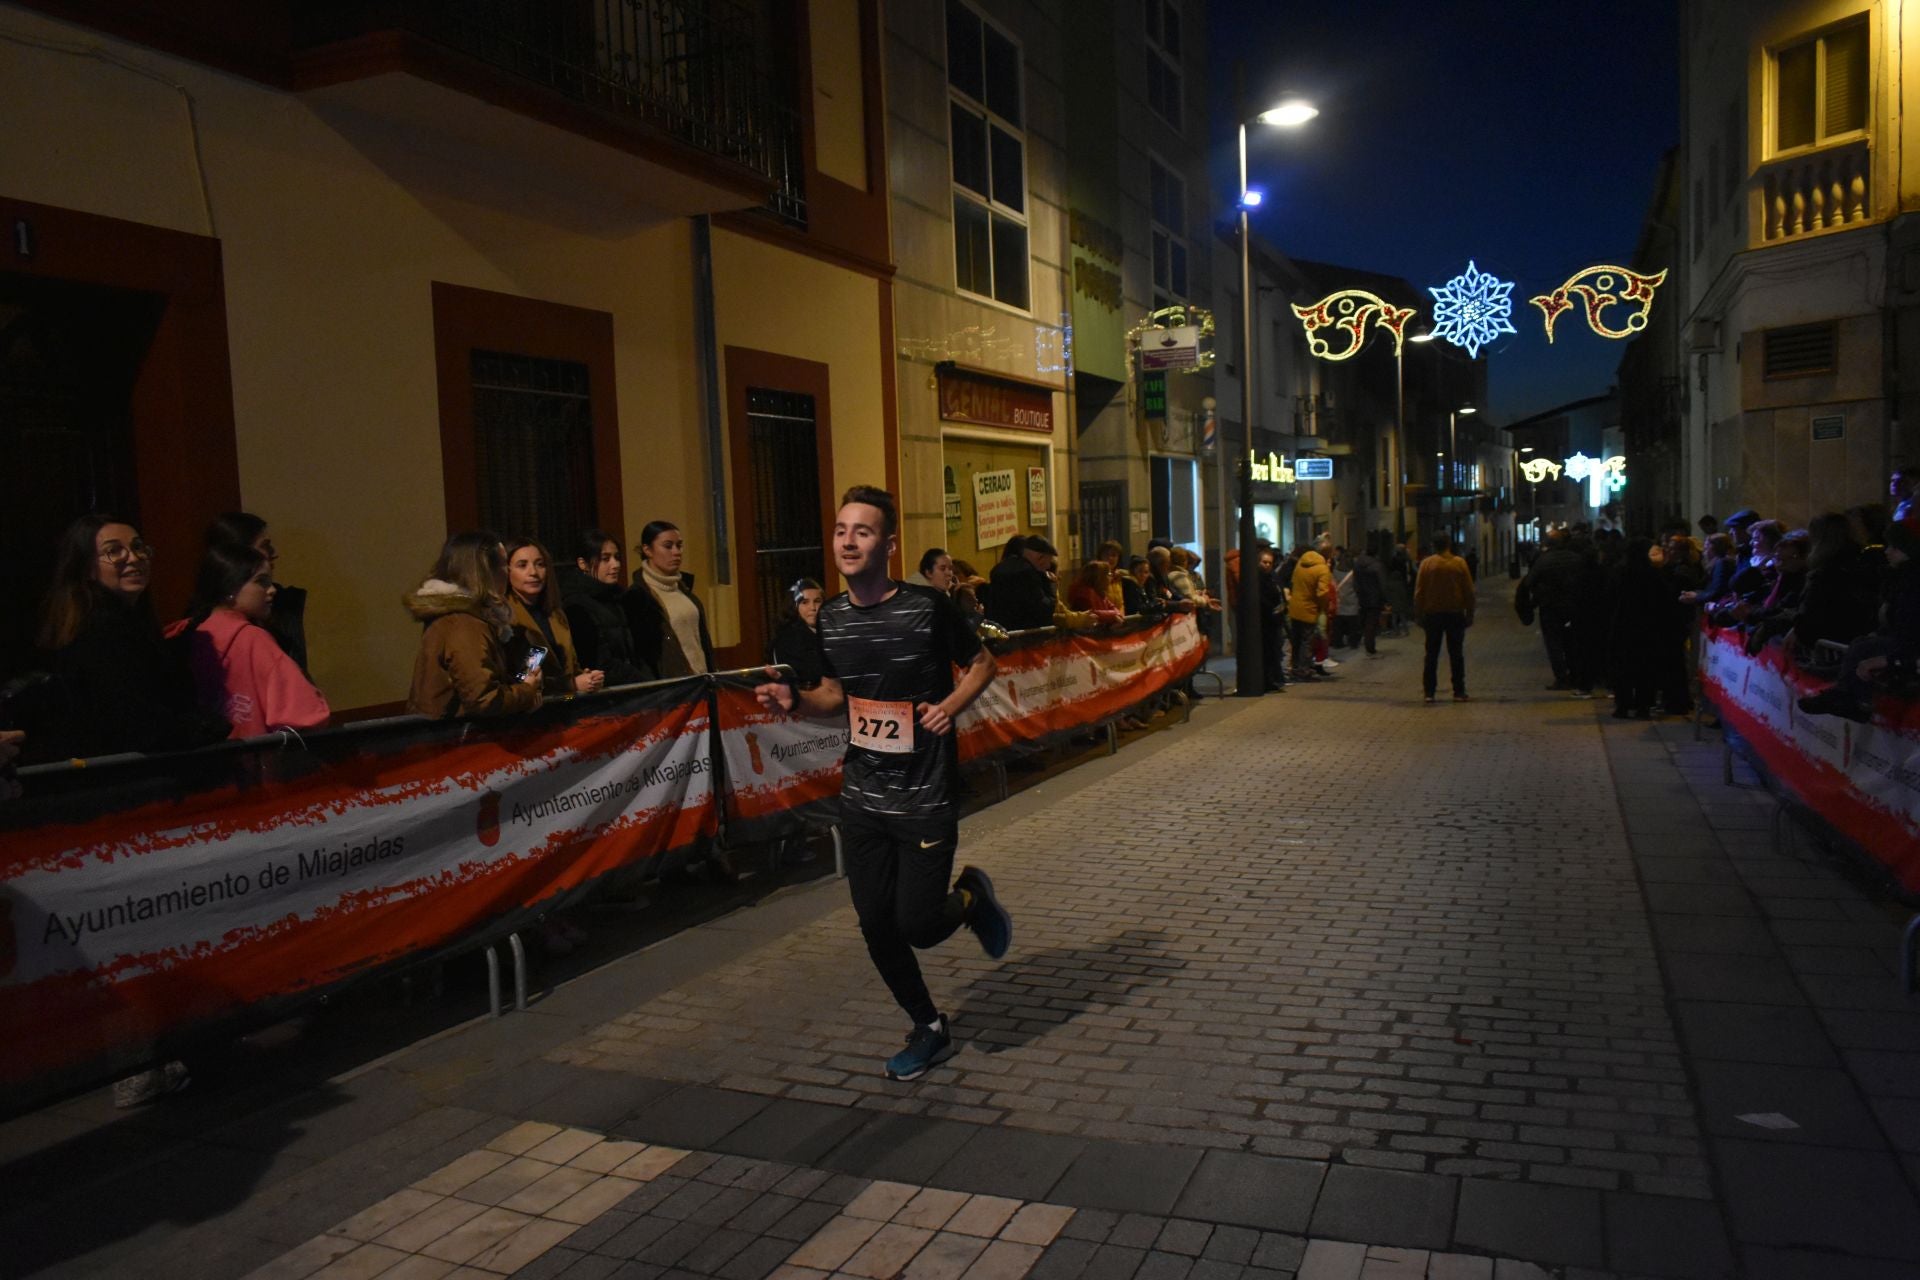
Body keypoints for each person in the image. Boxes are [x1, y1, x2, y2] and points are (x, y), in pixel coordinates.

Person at [754, 486, 1009, 1082]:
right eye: (841, 529)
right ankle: (929, 1026)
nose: (847, 540)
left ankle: (970, 896)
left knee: (918, 924)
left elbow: (983, 665)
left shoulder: (926, 607)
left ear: (888, 545)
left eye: (862, 531)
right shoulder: (833, 619)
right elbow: (835, 697)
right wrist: (795, 699)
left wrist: (949, 706)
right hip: (864, 794)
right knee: (875, 922)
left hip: (925, 794)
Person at [38, 513, 229, 757]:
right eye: (114, 551)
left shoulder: (123, 622)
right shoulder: (101, 630)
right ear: (86, 567)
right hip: (122, 778)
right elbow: (132, 719)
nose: (134, 557)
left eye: (138, 547)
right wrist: (208, 727)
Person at [180, 542, 331, 738]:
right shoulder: (253, 639)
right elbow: (307, 714)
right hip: (255, 761)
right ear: (230, 587)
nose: (272, 590)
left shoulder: (187, 632)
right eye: (262, 582)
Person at [404, 532, 544, 718]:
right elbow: (485, 700)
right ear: (485, 570)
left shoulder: (465, 618)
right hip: (453, 740)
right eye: (503, 563)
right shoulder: (463, 623)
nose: (508, 571)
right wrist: (526, 691)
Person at [206, 512, 310, 672]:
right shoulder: (198, 630)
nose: (274, 554)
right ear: (237, 555)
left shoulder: (283, 604)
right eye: (264, 546)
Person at [504, 538, 605, 698]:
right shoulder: (506, 617)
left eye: (540, 564)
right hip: (529, 710)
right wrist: (571, 684)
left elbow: (570, 666)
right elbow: (521, 677)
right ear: (507, 570)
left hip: (565, 706)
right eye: (522, 565)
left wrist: (587, 679)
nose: (533, 572)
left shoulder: (555, 613)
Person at [624, 521, 713, 678]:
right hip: (671, 687)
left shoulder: (684, 590)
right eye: (668, 546)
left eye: (679, 545)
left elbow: (701, 642)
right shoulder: (638, 596)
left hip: (701, 681)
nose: (676, 552)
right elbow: (644, 655)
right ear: (647, 550)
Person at [560, 529, 648, 685]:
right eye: (605, 559)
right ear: (583, 563)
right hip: (605, 696)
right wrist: (643, 681)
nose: (615, 565)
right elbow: (596, 662)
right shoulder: (576, 606)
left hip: (629, 692)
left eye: (617, 557)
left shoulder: (617, 598)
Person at [1609, 536, 1676, 719]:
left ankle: (1623, 705)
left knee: (1623, 667)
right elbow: (1664, 600)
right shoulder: (1652, 573)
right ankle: (1643, 706)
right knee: (1645, 668)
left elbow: (1610, 599)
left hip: (1623, 625)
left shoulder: (1620, 572)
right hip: (1647, 627)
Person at [1521, 528, 1587, 692]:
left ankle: (1561, 678)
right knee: (1571, 642)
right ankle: (1575, 675)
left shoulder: (1544, 561)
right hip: (1574, 607)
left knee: (1553, 644)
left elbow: (1529, 582)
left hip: (1550, 608)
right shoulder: (1576, 559)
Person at [1414, 536, 1475, 702]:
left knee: (1431, 654)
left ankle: (1429, 692)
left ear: (1434, 545)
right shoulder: (1459, 563)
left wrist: (1418, 614)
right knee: (1456, 654)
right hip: (1455, 614)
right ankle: (1459, 691)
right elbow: (1469, 591)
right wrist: (1470, 613)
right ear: (1448, 545)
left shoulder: (1427, 564)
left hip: (1433, 615)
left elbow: (1419, 591)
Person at [986, 535, 1058, 631]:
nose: (1048, 566)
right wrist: (1051, 585)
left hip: (1001, 631)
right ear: (1040, 558)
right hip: (1025, 634)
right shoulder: (1028, 573)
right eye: (1048, 561)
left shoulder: (998, 569)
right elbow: (1044, 609)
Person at [1285, 544, 1333, 680]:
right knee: (1307, 641)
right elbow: (1322, 592)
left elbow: (1293, 582)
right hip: (1309, 609)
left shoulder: (1301, 563)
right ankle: (1304, 670)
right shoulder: (1322, 569)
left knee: (1297, 640)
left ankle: (1295, 668)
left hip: (1295, 607)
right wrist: (1323, 607)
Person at [768, 577, 826, 687]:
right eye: (805, 602)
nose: (813, 607)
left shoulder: (830, 631)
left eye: (817, 601)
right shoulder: (788, 639)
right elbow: (812, 674)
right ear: (794, 606)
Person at [1350, 543, 1386, 656]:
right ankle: (1370, 646)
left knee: (1364, 620)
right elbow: (1382, 583)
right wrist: (1385, 598)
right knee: (1371, 622)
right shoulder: (1377, 565)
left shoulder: (1358, 564)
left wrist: (1358, 592)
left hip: (1362, 596)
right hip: (1374, 597)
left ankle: (1360, 641)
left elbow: (1354, 581)